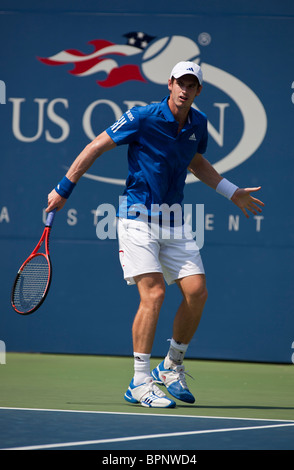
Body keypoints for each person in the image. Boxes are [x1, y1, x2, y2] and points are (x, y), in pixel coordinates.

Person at [46, 61, 264, 409]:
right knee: (155, 294)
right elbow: (95, 147)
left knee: (197, 292)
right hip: (136, 217)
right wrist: (64, 187)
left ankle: (171, 365)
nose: (184, 90)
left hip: (174, 220)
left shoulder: (198, 123)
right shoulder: (142, 116)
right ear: (170, 83)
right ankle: (139, 381)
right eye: (180, 83)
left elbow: (195, 162)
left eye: (191, 85)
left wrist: (231, 191)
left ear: (197, 91)